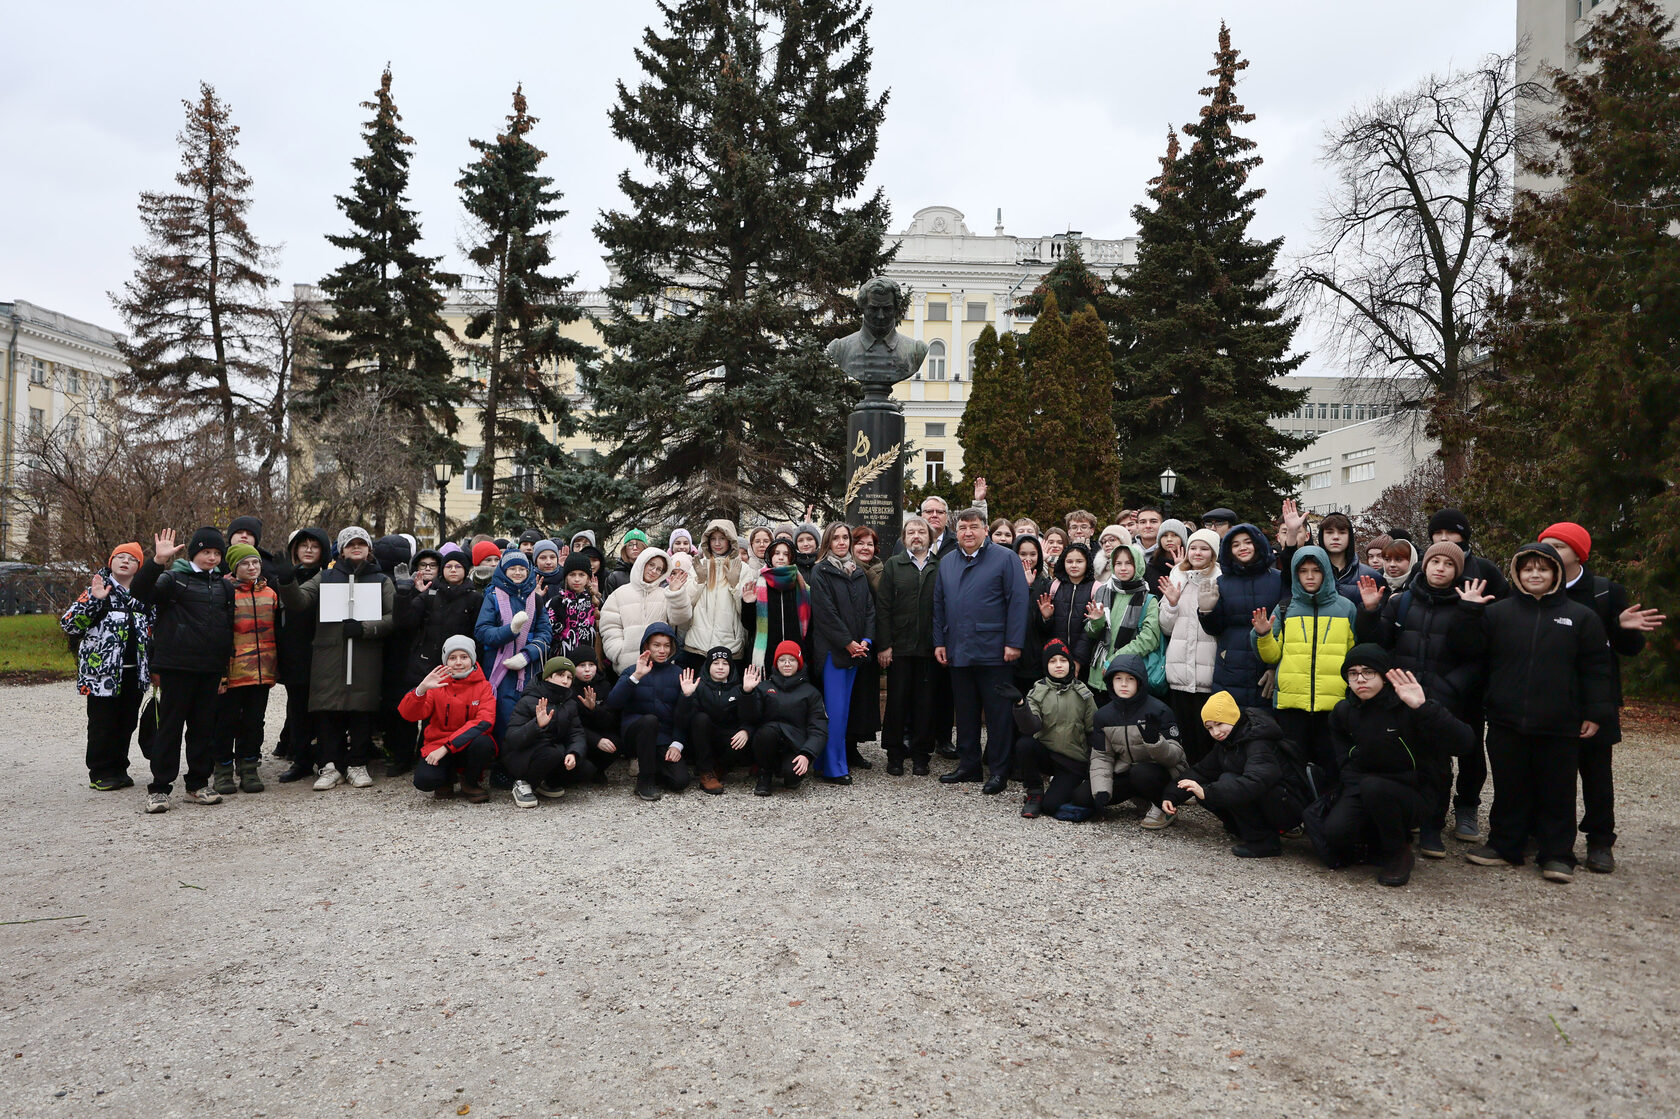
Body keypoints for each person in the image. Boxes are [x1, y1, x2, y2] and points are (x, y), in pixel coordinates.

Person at [1455, 542, 1615, 883]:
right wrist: (1468, 612)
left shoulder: (1581, 617)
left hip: (1560, 724)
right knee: (1509, 788)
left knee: (1558, 791)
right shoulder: (1498, 613)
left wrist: (1595, 712)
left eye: (1542, 568)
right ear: (1517, 573)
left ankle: (1557, 854)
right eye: (1527, 568)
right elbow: (1469, 653)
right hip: (1505, 720)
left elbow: (1597, 669)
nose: (1535, 574)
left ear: (1556, 573)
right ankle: (1504, 845)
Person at [1539, 522, 1665, 874]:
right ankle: (1547, 838)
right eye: (1545, 545)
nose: (1550, 553)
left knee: (1596, 775)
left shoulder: (1604, 591)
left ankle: (1600, 841)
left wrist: (1623, 628)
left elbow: (1628, 650)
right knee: (1551, 773)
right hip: (1551, 697)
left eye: (1559, 547)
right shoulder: (1537, 587)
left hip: (1596, 697)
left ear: (1578, 554)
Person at [1352, 541, 1484, 854]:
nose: (1440, 568)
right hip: (1400, 696)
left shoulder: (1466, 604)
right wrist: (1369, 612)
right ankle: (1405, 819)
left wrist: (1448, 689)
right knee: (1402, 759)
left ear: (1457, 571)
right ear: (1424, 565)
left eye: (1448, 564)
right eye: (1435, 561)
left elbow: (1475, 656)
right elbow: (1378, 644)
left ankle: (1431, 828)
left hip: (1439, 701)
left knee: (1437, 766)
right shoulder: (1403, 601)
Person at [1307, 645, 1472, 887]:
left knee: (1375, 788)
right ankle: (1376, 843)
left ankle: (1398, 852)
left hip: (1414, 790)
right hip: (1364, 786)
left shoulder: (1408, 705)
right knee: (1335, 833)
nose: (1360, 679)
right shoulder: (1343, 711)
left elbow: (1464, 743)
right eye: (1353, 673)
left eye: (1368, 672)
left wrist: (1424, 707)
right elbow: (1346, 761)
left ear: (1384, 676)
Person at [275, 526, 397, 792]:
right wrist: (286, 582)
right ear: (341, 550)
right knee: (328, 711)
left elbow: (393, 617)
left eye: (361, 543)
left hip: (365, 656)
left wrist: (365, 628)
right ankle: (330, 766)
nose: (356, 547)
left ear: (369, 549)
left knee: (361, 710)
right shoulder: (326, 577)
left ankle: (357, 764)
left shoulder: (381, 580)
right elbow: (300, 601)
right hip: (329, 655)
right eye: (350, 544)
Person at [132, 527, 235, 811]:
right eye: (206, 552)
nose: (212, 558)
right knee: (170, 727)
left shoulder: (225, 586)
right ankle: (159, 788)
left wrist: (223, 667)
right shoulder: (173, 578)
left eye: (216, 553)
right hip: (177, 666)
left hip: (209, 667)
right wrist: (157, 561)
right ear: (194, 553)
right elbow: (140, 593)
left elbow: (227, 626)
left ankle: (198, 784)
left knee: (203, 729)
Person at [932, 508, 1030, 794]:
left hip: (995, 651)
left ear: (986, 530)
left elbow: (1018, 602)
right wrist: (939, 642)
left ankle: (999, 770)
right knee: (965, 713)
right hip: (958, 650)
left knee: (998, 716)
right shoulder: (947, 562)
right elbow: (939, 605)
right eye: (963, 528)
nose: (968, 533)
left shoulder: (1006, 558)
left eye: (974, 527)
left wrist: (1014, 642)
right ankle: (969, 765)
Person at [1253, 545, 1359, 778]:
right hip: (1291, 707)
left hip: (1334, 706)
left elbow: (1354, 656)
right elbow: (1272, 656)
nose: (1310, 576)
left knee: (1333, 770)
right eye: (1303, 571)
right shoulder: (1285, 608)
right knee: (1293, 771)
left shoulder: (1346, 608)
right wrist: (1263, 635)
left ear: (1326, 572)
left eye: (1316, 570)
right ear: (1295, 574)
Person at [1160, 692, 1307, 858]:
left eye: (1219, 724)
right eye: (1209, 728)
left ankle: (1264, 842)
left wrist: (1207, 792)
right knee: (1204, 788)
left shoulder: (1258, 741)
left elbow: (1257, 781)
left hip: (1288, 807)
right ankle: (1242, 830)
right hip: (1272, 801)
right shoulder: (1228, 741)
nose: (1216, 732)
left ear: (1233, 717)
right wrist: (1172, 795)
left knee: (1224, 782)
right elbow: (1201, 771)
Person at [60, 542, 154, 791]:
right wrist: (93, 599)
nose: (125, 562)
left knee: (127, 722)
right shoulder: (97, 589)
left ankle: (119, 768)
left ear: (139, 567)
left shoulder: (143, 595)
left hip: (134, 672)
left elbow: (155, 628)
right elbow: (69, 624)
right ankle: (101, 772)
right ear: (111, 562)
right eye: (120, 557)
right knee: (102, 723)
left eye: (131, 559)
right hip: (101, 674)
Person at [807, 522, 876, 784]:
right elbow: (826, 614)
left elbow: (869, 608)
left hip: (856, 651)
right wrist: (848, 642)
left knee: (844, 711)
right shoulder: (821, 571)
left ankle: (825, 762)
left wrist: (866, 640)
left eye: (845, 537)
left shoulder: (856, 571)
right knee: (834, 712)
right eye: (835, 538)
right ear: (828, 542)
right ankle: (834, 769)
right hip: (832, 652)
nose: (841, 542)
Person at [1087, 653, 1187, 828]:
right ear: (1111, 682)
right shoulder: (1103, 715)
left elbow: (1175, 758)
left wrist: (1155, 742)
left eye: (1130, 679)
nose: (1123, 684)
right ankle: (1142, 799)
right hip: (1128, 770)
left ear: (1140, 682)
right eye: (1118, 678)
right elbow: (1102, 756)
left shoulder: (1160, 710)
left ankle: (1163, 807)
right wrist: (1102, 790)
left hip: (1162, 772)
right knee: (1083, 797)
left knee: (1141, 773)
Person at [212, 543, 280, 795]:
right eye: (245, 563)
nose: (252, 567)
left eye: (255, 563)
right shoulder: (223, 592)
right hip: (233, 672)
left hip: (262, 672)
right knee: (225, 723)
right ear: (234, 567)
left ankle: (249, 767)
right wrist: (220, 672)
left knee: (254, 723)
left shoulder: (270, 594)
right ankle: (222, 770)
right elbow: (217, 634)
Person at [876, 517, 940, 775]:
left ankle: (921, 755)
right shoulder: (894, 565)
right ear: (904, 538)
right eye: (911, 532)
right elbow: (883, 607)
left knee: (926, 703)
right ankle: (895, 754)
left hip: (929, 648)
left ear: (929, 538)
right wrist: (884, 645)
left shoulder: (939, 566)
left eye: (921, 531)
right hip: (899, 647)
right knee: (897, 702)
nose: (916, 535)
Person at [399, 635, 496, 803]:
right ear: (445, 661)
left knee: (484, 743)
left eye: (464, 657)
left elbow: (484, 722)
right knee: (424, 781)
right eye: (452, 658)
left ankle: (469, 782)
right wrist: (420, 690)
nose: (458, 662)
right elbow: (409, 715)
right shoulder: (436, 685)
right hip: (438, 744)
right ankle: (446, 780)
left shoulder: (484, 687)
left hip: (464, 745)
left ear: (472, 659)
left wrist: (447, 747)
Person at [1010, 638, 1097, 819]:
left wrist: (1093, 770)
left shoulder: (1084, 693)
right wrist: (1020, 705)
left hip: (1072, 762)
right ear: (1046, 666)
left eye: (1063, 660)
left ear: (1070, 664)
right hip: (1048, 754)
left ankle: (1068, 788)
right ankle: (1034, 792)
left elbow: (1093, 731)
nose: (1058, 665)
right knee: (1024, 744)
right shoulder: (1038, 691)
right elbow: (1031, 727)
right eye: (1052, 661)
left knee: (1050, 806)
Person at [1197, 524, 1281, 708]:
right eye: (1235, 545)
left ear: (1258, 544)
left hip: (1265, 662)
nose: (1242, 548)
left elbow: (1287, 627)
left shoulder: (1278, 579)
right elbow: (1215, 629)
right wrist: (1206, 611)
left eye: (1248, 542)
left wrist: (1274, 667)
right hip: (1230, 665)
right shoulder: (1222, 582)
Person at [606, 621, 691, 801]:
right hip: (635, 735)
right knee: (649, 720)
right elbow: (613, 702)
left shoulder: (678, 673)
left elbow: (684, 715)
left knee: (680, 781)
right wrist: (636, 677)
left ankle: (651, 766)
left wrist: (677, 743)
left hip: (663, 738)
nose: (662, 650)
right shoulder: (632, 670)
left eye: (666, 645)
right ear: (647, 646)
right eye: (656, 645)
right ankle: (645, 781)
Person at [1157, 528, 1221, 765]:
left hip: (1208, 671)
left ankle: (1207, 777)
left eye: (1204, 548)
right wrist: (1172, 605)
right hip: (1179, 670)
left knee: (1208, 734)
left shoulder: (1220, 580)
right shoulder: (1177, 576)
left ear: (1214, 553)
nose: (1197, 553)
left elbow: (1219, 627)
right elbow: (1166, 627)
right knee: (1184, 734)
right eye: (1193, 548)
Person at [475, 549, 554, 742]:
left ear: (528, 571)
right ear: (504, 571)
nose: (517, 572)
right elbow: (482, 631)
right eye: (512, 569)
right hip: (499, 667)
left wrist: (527, 655)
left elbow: (545, 633)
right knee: (503, 716)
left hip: (529, 669)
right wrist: (510, 630)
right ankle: (504, 755)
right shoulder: (493, 596)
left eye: (521, 568)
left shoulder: (535, 599)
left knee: (528, 715)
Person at [274, 527, 331, 782]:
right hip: (294, 651)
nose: (308, 550)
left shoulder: (330, 578)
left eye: (314, 546)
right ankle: (301, 759)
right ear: (295, 550)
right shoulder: (286, 575)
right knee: (297, 708)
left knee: (324, 710)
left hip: (323, 651)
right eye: (303, 545)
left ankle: (326, 758)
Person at [503, 655, 594, 807]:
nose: (565, 681)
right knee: (552, 754)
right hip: (524, 755)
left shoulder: (570, 703)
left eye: (569, 677)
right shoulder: (528, 700)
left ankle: (545, 782)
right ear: (547, 677)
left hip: (554, 751)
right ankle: (523, 783)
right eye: (560, 675)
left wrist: (573, 753)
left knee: (586, 769)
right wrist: (537, 725)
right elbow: (512, 739)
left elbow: (576, 733)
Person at [676, 648, 764, 793]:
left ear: (731, 667)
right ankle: (706, 771)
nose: (721, 667)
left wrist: (746, 729)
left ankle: (721, 768)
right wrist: (686, 696)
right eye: (716, 663)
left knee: (743, 737)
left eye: (725, 663)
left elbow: (752, 717)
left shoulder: (739, 688)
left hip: (727, 738)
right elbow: (682, 720)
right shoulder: (696, 686)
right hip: (701, 739)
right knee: (701, 719)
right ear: (708, 666)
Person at [1083, 541, 1161, 698]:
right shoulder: (1102, 592)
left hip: (1128, 675)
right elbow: (1091, 633)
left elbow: (1150, 639)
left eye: (1128, 563)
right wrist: (1097, 622)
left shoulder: (1148, 600)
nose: (1123, 568)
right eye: (1118, 563)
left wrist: (1116, 659)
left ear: (1138, 565)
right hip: (1098, 673)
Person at [749, 641, 827, 797]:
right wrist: (747, 693)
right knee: (767, 732)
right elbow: (751, 717)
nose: (787, 664)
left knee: (792, 776)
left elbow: (819, 727)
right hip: (768, 741)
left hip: (796, 745)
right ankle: (764, 774)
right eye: (782, 660)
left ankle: (786, 772)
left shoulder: (811, 692)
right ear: (776, 663)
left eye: (791, 660)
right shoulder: (763, 687)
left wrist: (807, 754)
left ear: (799, 663)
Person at [599, 547, 692, 675]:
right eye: (651, 565)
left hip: (659, 666)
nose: (654, 571)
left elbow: (680, 619)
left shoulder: (665, 595)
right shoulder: (619, 594)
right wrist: (618, 652)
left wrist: (676, 594)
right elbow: (609, 626)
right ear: (642, 563)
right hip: (628, 667)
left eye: (659, 569)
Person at [685, 520, 753, 670]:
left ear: (730, 541)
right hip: (697, 644)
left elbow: (745, 610)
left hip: (729, 646)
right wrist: (699, 581)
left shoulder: (742, 569)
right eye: (713, 539)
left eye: (722, 538)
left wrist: (735, 586)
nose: (717, 543)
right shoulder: (699, 565)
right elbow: (687, 603)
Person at [846, 525, 885, 769]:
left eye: (869, 544)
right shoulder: (847, 569)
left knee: (862, 700)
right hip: (849, 643)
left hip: (870, 642)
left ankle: (853, 748)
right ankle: (845, 748)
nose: (865, 548)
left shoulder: (882, 571)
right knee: (848, 699)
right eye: (860, 543)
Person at [750, 537, 811, 674]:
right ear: (770, 556)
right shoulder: (759, 583)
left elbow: (810, 622)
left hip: (796, 653)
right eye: (777, 553)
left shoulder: (801, 585)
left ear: (792, 557)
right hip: (767, 652)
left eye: (786, 554)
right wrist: (748, 604)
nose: (781, 557)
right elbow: (749, 625)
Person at [1036, 542, 1097, 679]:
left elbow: (1091, 631)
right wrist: (1046, 618)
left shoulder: (1096, 588)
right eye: (1069, 561)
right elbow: (1044, 630)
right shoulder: (1054, 586)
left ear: (1087, 563)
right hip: (1056, 659)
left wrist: (1078, 659)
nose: (1074, 565)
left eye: (1079, 561)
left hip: (1084, 661)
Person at [1429, 508, 1511, 600]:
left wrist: (1476, 607)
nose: (1444, 538)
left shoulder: (1485, 568)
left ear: (1463, 536)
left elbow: (1506, 604)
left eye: (1451, 532)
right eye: (1438, 533)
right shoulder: (1420, 570)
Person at [1011, 535, 1052, 693]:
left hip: (1036, 656)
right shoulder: (1007, 580)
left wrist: (1046, 617)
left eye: (1033, 554)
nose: (1028, 558)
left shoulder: (1045, 584)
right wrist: (1025, 587)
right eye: (1023, 554)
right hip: (1013, 653)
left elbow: (1046, 627)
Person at [548, 552, 602, 663]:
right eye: (572, 574)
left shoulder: (595, 602)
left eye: (581, 575)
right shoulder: (556, 603)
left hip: (589, 663)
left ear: (588, 578)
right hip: (562, 661)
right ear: (566, 577)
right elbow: (547, 633)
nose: (577, 579)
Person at [1143, 518, 1186, 592]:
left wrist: (1181, 570)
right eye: (1165, 535)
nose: (1169, 539)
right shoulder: (1150, 568)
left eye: (1174, 535)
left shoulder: (1192, 566)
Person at [602, 529, 650, 596]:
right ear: (625, 549)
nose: (635, 548)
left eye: (639, 545)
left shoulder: (652, 573)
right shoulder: (615, 577)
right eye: (630, 545)